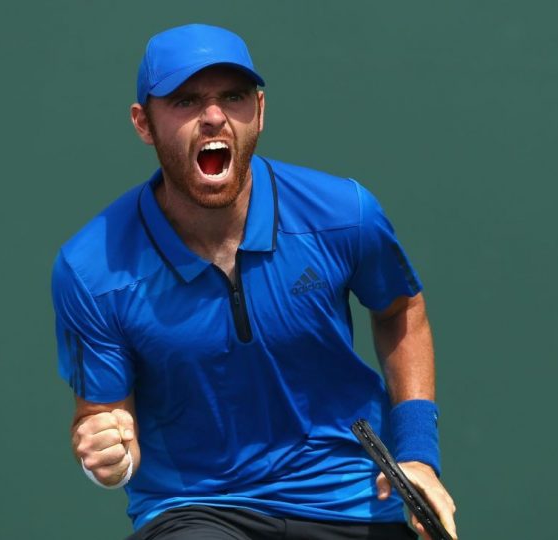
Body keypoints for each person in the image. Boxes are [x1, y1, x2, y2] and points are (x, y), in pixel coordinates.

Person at [51, 23, 457, 540]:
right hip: (196, 508)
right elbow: (104, 417)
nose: (213, 116)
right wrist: (108, 457)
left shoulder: (344, 214)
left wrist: (417, 454)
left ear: (259, 111)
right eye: (185, 101)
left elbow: (401, 310)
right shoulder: (92, 270)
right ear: (143, 123)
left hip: (349, 498)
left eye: (233, 97)